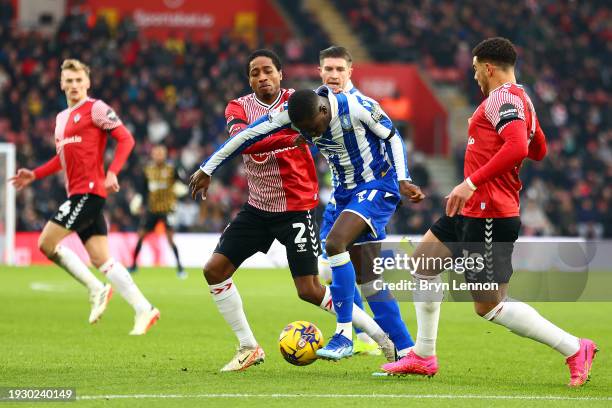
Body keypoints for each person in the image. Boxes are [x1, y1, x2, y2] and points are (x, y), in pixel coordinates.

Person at [380, 37, 597, 387]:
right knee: (423, 264)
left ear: (488, 67)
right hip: (470, 209)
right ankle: (423, 355)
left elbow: (518, 147)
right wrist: (523, 129)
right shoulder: (522, 99)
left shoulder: (502, 98)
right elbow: (538, 148)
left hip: (490, 213)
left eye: (476, 69)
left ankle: (575, 347)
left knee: (489, 306)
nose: (475, 77)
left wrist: (471, 182)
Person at [193, 49, 395, 372]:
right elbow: (245, 140)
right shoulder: (239, 107)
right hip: (257, 208)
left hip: (296, 209)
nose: (263, 78)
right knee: (214, 270)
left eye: (268, 71)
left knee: (309, 290)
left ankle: (378, 336)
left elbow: (323, 127)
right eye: (255, 73)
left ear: (280, 74)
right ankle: (248, 346)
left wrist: (297, 130)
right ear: (249, 79)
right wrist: (292, 134)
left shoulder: (299, 102)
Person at [9, 59, 160, 335]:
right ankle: (144, 308)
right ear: (61, 84)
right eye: (69, 81)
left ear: (87, 83)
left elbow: (126, 139)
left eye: (79, 80)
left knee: (45, 243)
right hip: (79, 193)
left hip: (89, 192)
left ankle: (96, 289)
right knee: (103, 259)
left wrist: (112, 172)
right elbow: (62, 158)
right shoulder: (61, 119)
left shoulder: (97, 109)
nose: (74, 85)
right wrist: (35, 174)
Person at [316, 46, 415, 358]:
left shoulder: (361, 105)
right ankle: (405, 349)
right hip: (342, 195)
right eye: (328, 69)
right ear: (320, 71)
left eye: (339, 70)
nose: (333, 75)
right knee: (363, 276)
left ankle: (347, 333)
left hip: (374, 188)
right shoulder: (312, 109)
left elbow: (393, 137)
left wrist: (403, 178)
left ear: (350, 72)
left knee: (335, 247)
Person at [129, 145, 186, 279]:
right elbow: (143, 190)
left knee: (170, 239)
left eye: (161, 153)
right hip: (152, 209)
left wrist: (181, 190)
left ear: (165, 155)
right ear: (153, 155)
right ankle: (133, 265)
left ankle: (180, 267)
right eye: (156, 153)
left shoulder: (172, 169)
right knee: (141, 235)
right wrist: (140, 202)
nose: (159, 156)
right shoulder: (147, 170)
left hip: (167, 210)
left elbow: (182, 183)